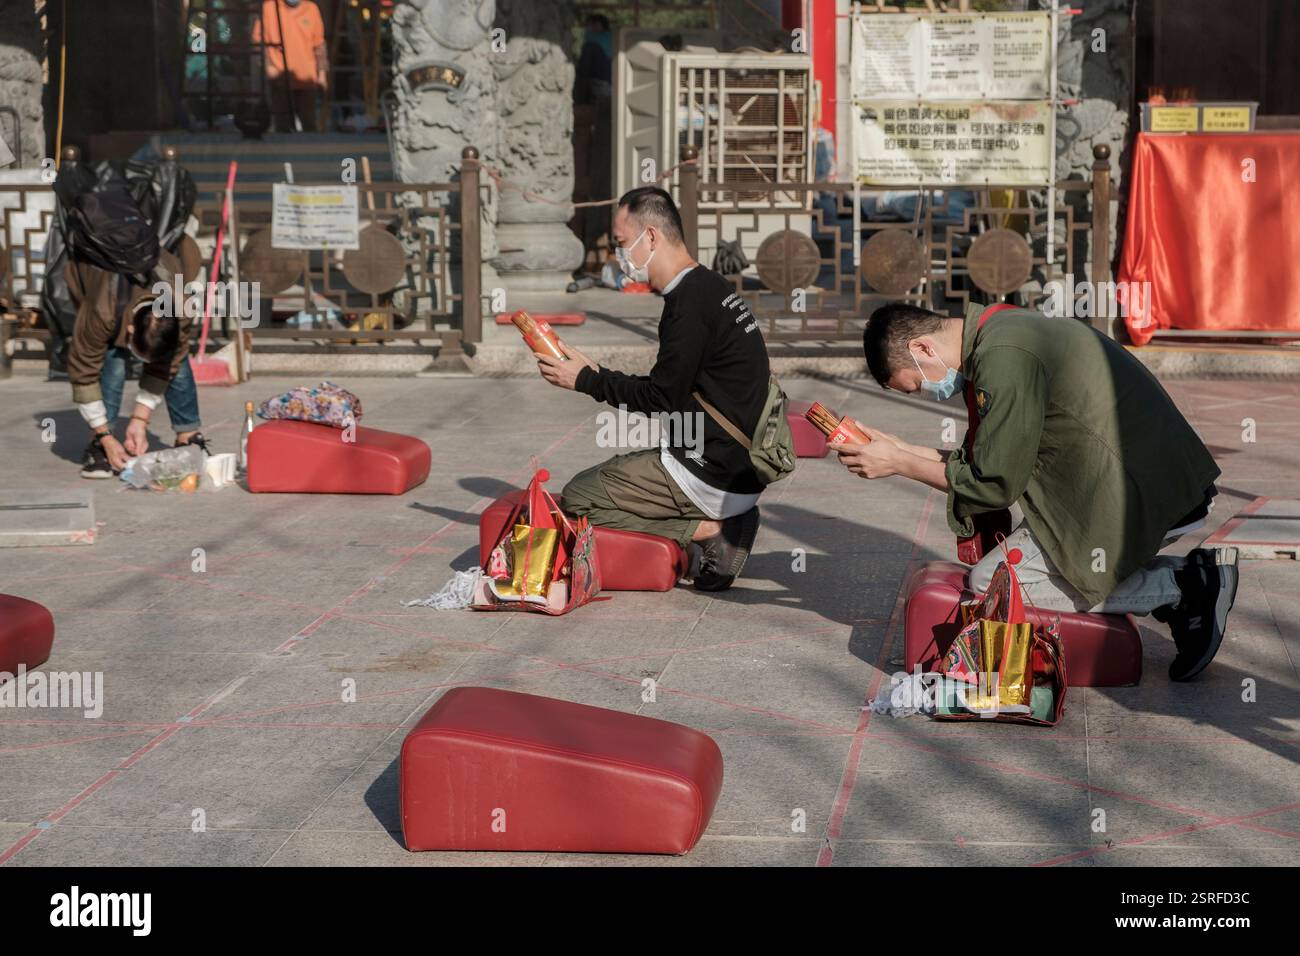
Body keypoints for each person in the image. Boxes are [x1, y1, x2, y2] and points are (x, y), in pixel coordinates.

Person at [841, 301, 1235, 681]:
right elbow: (987, 459)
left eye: (916, 386)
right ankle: (1185, 582)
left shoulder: (1004, 357)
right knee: (1016, 570)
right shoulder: (999, 331)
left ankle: (1182, 588)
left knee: (992, 582)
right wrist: (899, 448)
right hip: (1125, 478)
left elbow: (994, 483)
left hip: (1142, 493)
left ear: (922, 347)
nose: (930, 390)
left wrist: (899, 464)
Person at [536, 187, 768, 591]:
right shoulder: (711, 288)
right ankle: (719, 521)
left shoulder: (688, 307)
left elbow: (661, 399)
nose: (619, 256)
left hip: (709, 471)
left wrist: (584, 381)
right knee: (617, 471)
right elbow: (674, 386)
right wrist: (595, 370)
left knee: (579, 497)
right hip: (737, 462)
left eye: (623, 243)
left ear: (652, 237)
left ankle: (708, 531)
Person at [67, 251, 208, 479]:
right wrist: (104, 435)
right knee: (115, 358)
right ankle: (101, 446)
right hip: (94, 279)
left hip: (158, 267)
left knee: (176, 362)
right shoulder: (100, 312)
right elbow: (83, 371)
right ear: (131, 330)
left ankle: (188, 439)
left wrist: (139, 421)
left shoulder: (181, 309)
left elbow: (167, 364)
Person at [254, 0, 328, 132]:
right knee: (282, 125)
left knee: (309, 123)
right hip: (280, 77)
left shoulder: (311, 9)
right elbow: (258, 41)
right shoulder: (269, 8)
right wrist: (268, 67)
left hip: (307, 78)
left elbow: (319, 45)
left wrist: (321, 74)